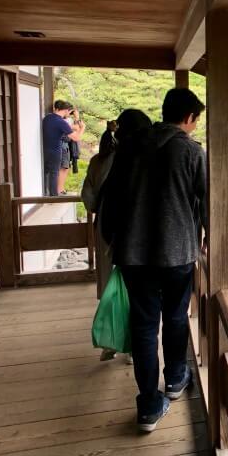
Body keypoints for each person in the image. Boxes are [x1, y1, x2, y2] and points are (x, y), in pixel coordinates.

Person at [101, 88, 206, 433]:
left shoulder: (131, 146)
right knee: (175, 316)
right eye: (195, 120)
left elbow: (110, 198)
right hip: (176, 252)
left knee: (144, 324)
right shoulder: (191, 151)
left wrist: (112, 239)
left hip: (133, 252)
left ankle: (148, 404)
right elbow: (208, 203)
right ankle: (175, 379)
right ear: (189, 118)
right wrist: (208, 242)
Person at [82, 110, 151, 361]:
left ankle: (110, 340)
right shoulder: (139, 159)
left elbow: (88, 199)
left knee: (110, 287)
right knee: (137, 292)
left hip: (105, 231)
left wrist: (101, 208)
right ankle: (132, 345)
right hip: (135, 234)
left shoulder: (98, 161)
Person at [42, 100, 84, 196]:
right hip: (55, 151)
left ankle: (44, 194)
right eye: (69, 111)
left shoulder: (47, 118)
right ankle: (53, 196)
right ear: (66, 110)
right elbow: (76, 137)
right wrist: (82, 128)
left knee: (45, 173)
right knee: (54, 173)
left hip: (44, 150)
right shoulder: (61, 122)